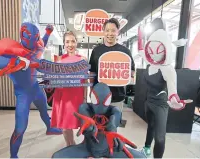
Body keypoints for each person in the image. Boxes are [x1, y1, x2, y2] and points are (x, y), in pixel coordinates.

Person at [0, 22, 62, 158]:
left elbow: (42, 43)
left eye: (35, 40)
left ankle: (50, 128)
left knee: (45, 111)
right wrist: (15, 62)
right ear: (24, 36)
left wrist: (48, 33)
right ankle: (13, 156)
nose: (34, 43)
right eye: (31, 40)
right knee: (20, 128)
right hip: (23, 95)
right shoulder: (12, 53)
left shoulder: (37, 47)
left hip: (36, 88)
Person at [137, 18, 192, 158]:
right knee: (150, 127)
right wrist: (139, 34)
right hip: (148, 102)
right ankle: (146, 148)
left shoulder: (167, 69)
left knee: (160, 138)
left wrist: (174, 97)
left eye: (159, 49)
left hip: (161, 105)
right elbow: (141, 50)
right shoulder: (150, 64)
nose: (154, 53)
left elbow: (172, 87)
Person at [52, 82, 146, 158]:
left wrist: (112, 128)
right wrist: (89, 127)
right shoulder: (85, 108)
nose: (100, 105)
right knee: (57, 156)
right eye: (96, 100)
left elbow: (115, 119)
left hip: (111, 149)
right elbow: (85, 118)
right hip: (87, 148)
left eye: (105, 101)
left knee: (141, 158)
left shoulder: (114, 110)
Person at [89, 18, 135, 112]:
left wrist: (126, 74)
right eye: (107, 30)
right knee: (98, 124)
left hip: (118, 96)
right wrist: (91, 90)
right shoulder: (96, 51)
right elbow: (92, 73)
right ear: (103, 32)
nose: (110, 34)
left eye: (113, 30)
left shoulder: (125, 51)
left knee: (113, 125)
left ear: (118, 32)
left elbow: (132, 71)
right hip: (99, 95)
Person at [51, 31, 87, 146]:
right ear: (64, 44)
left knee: (76, 123)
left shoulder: (83, 59)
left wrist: (85, 97)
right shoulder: (59, 59)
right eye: (67, 42)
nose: (70, 44)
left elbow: (85, 80)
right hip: (62, 96)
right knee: (65, 127)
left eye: (72, 41)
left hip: (76, 95)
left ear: (76, 43)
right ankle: (70, 145)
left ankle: (74, 145)